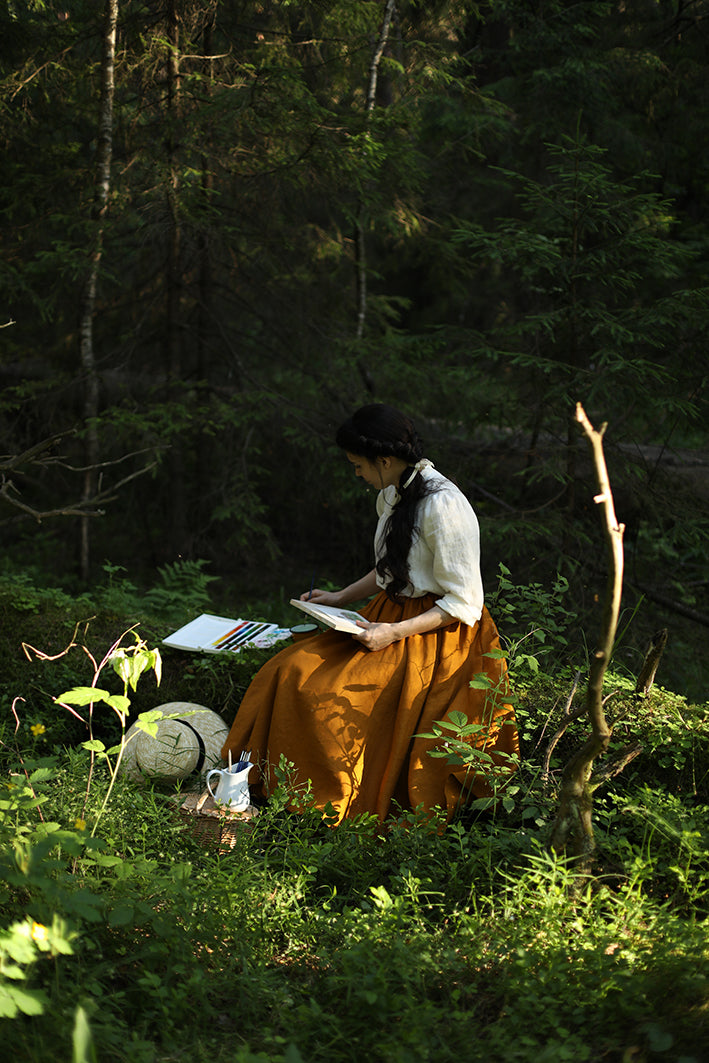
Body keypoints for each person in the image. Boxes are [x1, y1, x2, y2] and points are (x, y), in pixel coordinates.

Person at [222, 404, 519, 823]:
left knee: (323, 691)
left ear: (384, 460)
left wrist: (392, 633)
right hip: (388, 615)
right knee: (287, 669)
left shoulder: (444, 506)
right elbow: (392, 566)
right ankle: (266, 788)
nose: (355, 473)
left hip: (435, 635)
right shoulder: (392, 492)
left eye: (357, 465)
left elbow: (464, 603)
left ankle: (325, 802)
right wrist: (341, 597)